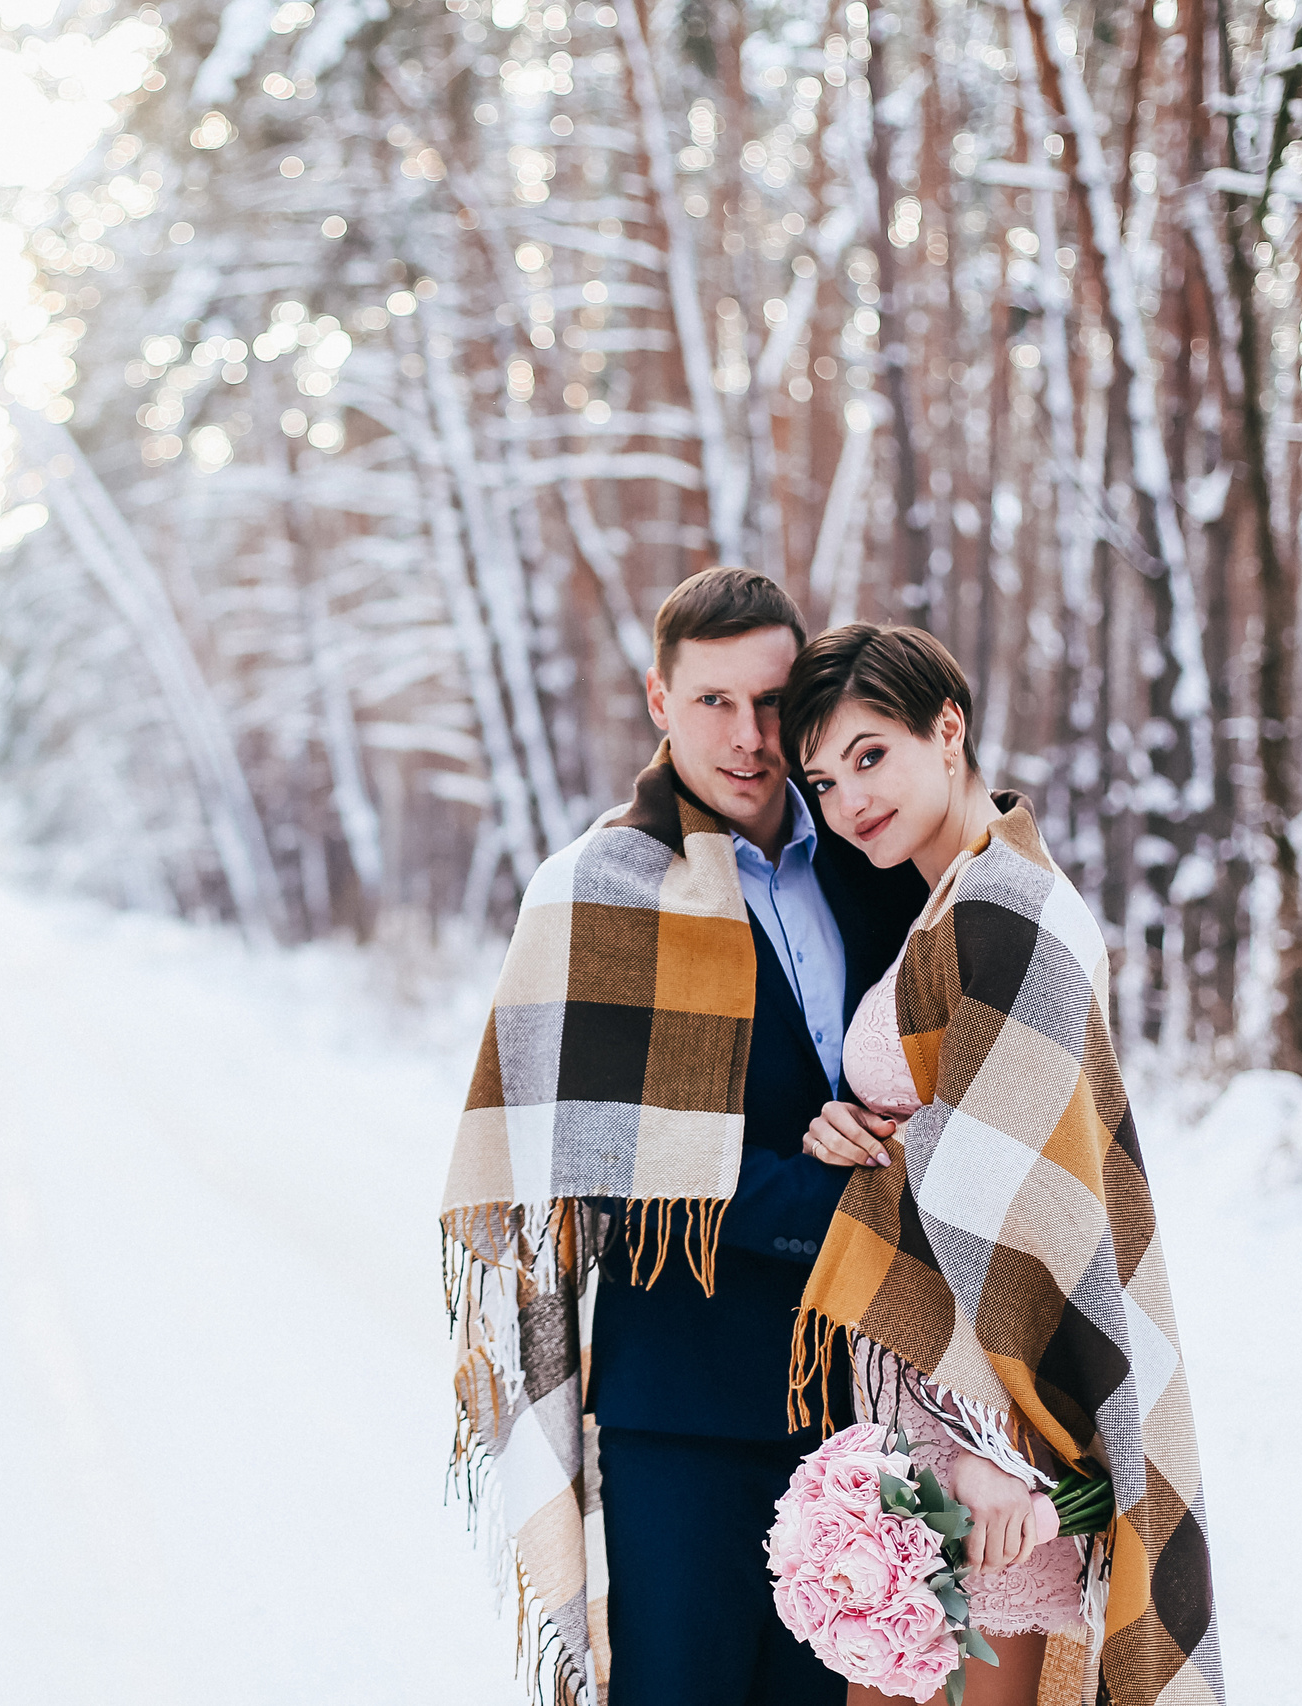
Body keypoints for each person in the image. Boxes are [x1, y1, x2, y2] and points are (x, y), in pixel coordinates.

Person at [440, 569, 925, 1706]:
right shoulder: (604, 889)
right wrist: (849, 1193)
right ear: (659, 698)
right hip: (688, 1405)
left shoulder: (875, 862)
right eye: (713, 701)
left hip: (861, 1390)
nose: (748, 737)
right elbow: (614, 1171)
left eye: (771, 701)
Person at [781, 625, 1222, 1706]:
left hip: (985, 1413)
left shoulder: (998, 911)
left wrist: (984, 1450)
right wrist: (848, 1130)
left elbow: (1003, 1212)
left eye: (870, 754)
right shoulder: (958, 899)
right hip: (934, 1396)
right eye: (824, 779)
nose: (848, 802)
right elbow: (954, 1153)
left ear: (947, 726)